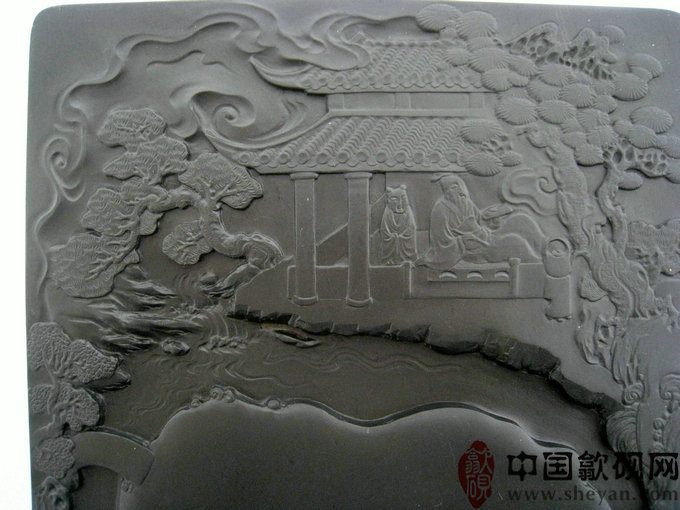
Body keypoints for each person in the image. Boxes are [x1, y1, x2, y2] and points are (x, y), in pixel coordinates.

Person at [422, 175, 543, 270]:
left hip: (483, 236)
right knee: (514, 241)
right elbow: (441, 241)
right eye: (453, 188)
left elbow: (479, 218)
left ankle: (545, 246)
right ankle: (536, 262)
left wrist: (495, 215)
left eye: (459, 187)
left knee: (520, 220)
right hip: (468, 248)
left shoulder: (466, 202)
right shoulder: (440, 209)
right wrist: (462, 240)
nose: (458, 191)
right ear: (446, 191)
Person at [378, 185, 418, 265]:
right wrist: (393, 238)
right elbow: (384, 230)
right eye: (395, 200)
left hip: (405, 244)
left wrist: (401, 237)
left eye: (403, 199)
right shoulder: (387, 212)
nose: (400, 203)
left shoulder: (408, 211)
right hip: (391, 247)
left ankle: (407, 260)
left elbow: (411, 228)